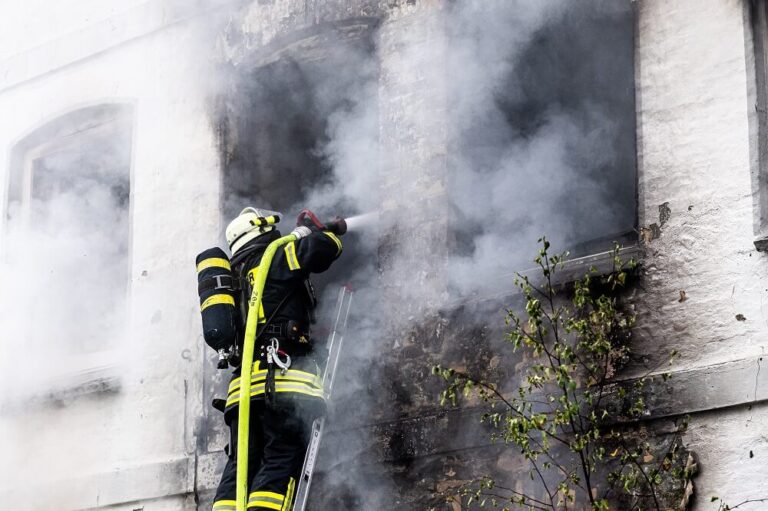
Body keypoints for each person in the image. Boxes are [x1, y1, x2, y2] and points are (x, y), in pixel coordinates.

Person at [211, 207, 344, 511]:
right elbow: (326, 249)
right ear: (261, 232)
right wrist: (318, 231)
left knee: (240, 465)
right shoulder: (274, 256)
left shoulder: (232, 280)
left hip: (243, 393)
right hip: (282, 383)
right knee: (281, 455)